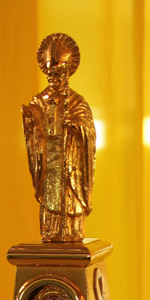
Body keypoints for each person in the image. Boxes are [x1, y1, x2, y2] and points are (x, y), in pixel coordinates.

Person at [21, 32, 95, 243]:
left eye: (60, 74)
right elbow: (34, 127)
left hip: (70, 163)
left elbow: (88, 130)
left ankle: (72, 231)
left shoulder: (76, 101)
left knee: (69, 200)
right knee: (51, 199)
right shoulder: (39, 101)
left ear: (67, 73)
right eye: (51, 74)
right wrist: (32, 121)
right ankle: (52, 231)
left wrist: (75, 126)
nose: (55, 79)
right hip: (50, 164)